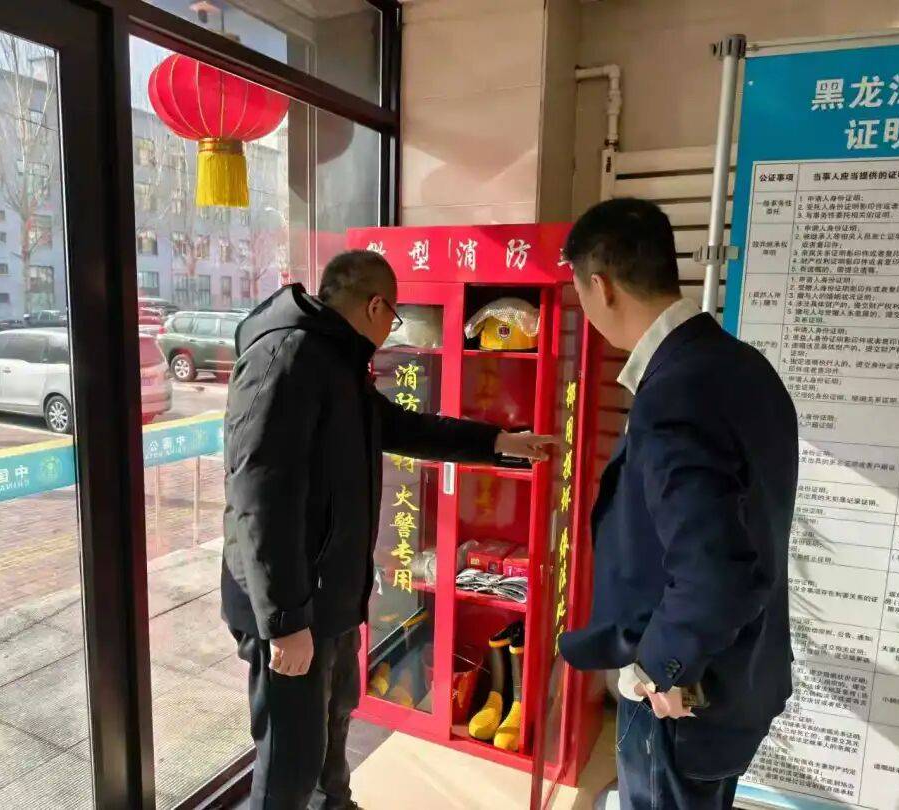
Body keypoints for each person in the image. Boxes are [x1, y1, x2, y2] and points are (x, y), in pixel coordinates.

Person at [222, 250, 553, 810]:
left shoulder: (337, 361)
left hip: (329, 600)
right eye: (394, 317)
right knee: (288, 769)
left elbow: (402, 427)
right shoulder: (289, 356)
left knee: (332, 735)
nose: (390, 330)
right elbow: (258, 497)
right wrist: (284, 621)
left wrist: (498, 441)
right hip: (290, 606)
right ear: (376, 307)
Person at [558, 199, 798, 809]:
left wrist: (662, 667)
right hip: (743, 673)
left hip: (685, 696)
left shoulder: (674, 393)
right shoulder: (744, 366)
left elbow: (714, 566)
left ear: (600, 286)